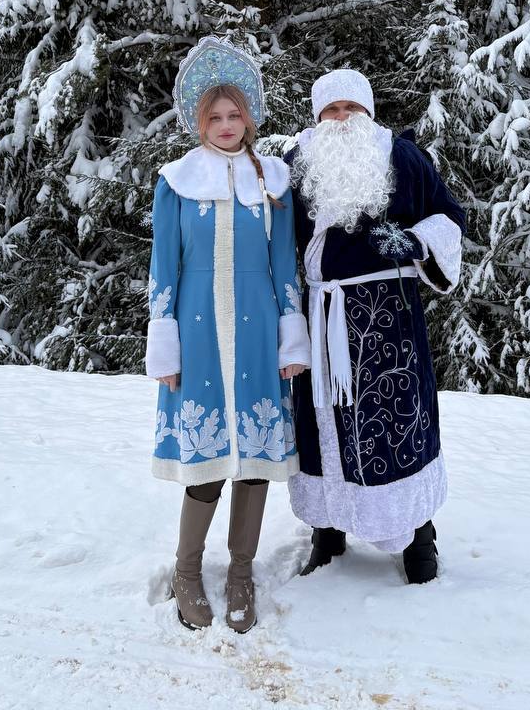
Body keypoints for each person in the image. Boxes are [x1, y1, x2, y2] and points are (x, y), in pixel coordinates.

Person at [145, 36, 309, 632]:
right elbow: (163, 269)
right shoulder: (176, 182)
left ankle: (241, 573)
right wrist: (164, 346)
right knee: (209, 461)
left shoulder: (275, 183)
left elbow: (284, 266)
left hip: (259, 329)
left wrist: (292, 339)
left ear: (249, 117)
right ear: (199, 122)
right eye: (214, 117)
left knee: (255, 460)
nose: (225, 125)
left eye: (233, 114)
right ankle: (187, 571)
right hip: (196, 333)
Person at [285, 68, 466, 584]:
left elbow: (450, 216)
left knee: (398, 423)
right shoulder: (296, 164)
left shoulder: (404, 158)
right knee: (321, 421)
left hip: (390, 321)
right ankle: (327, 531)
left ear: (368, 112)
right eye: (332, 109)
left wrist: (416, 242)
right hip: (322, 316)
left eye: (352, 108)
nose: (342, 119)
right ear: (317, 117)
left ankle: (418, 537)